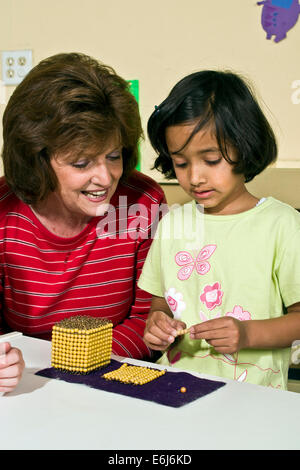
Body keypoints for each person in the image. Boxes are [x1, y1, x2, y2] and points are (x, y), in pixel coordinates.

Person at [0, 52, 165, 392]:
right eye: (81, 162)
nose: (105, 178)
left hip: (111, 381)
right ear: (37, 159)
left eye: (114, 156)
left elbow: (148, 322)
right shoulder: (3, 211)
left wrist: (70, 367)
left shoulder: (143, 201)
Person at [138, 70, 300, 389]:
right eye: (181, 163)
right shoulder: (172, 223)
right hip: (176, 387)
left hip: (254, 396)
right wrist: (157, 323)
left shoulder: (282, 224)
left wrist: (247, 333)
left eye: (211, 160)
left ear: (245, 146)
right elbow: (160, 302)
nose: (195, 177)